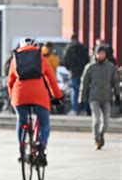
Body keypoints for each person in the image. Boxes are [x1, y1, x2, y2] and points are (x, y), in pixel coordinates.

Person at [7, 38, 63, 167]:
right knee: (44, 123)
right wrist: (58, 96)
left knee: (21, 121)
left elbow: (10, 81)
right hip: (39, 95)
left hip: (20, 95)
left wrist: (12, 97)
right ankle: (41, 146)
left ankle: (22, 148)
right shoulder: (40, 58)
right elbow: (51, 79)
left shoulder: (16, 58)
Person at [79, 45, 120, 150]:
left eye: (102, 53)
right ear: (95, 54)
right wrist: (81, 99)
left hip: (106, 98)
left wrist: (117, 94)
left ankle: (101, 134)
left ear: (105, 54)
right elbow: (84, 84)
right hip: (94, 98)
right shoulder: (90, 67)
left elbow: (115, 82)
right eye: (99, 53)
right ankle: (96, 139)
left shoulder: (110, 67)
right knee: (96, 120)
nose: (100, 55)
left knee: (106, 122)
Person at [63, 33, 89, 115]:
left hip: (73, 72)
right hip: (83, 72)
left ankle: (75, 109)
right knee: (84, 90)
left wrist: (69, 68)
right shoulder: (83, 47)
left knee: (74, 90)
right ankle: (84, 109)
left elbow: (66, 61)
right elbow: (87, 60)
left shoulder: (69, 48)